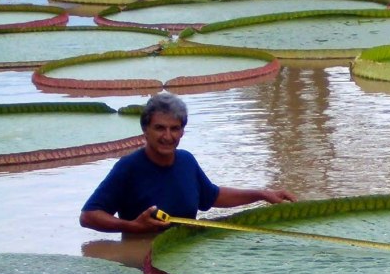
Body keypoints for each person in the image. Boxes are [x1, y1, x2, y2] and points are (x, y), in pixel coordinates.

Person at [80, 92, 296, 234]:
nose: (168, 136)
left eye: (174, 129)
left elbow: (212, 196)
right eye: (160, 128)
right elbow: (88, 216)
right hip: (143, 258)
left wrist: (261, 194)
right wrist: (132, 226)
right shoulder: (129, 167)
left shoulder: (186, 161)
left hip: (184, 255)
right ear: (145, 130)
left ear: (182, 131)